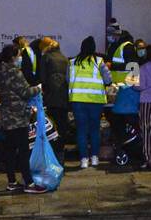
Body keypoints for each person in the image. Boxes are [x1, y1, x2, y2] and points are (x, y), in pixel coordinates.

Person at [0, 43, 47, 194]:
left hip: (6, 116)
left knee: (10, 151)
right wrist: (38, 88)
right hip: (18, 117)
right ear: (12, 57)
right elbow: (25, 92)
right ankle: (29, 183)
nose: (20, 59)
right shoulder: (14, 72)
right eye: (18, 56)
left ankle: (12, 181)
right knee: (24, 151)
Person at [68, 36, 111, 168]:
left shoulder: (72, 62)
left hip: (78, 101)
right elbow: (108, 80)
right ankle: (94, 158)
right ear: (93, 48)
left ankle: (83, 160)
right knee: (94, 129)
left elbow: (67, 79)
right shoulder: (99, 62)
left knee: (81, 130)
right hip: (95, 101)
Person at [37, 36, 70, 157]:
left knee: (51, 122)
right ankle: (61, 148)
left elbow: (42, 77)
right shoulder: (65, 58)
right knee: (62, 122)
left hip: (51, 94)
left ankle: (52, 148)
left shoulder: (46, 57)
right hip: (64, 94)